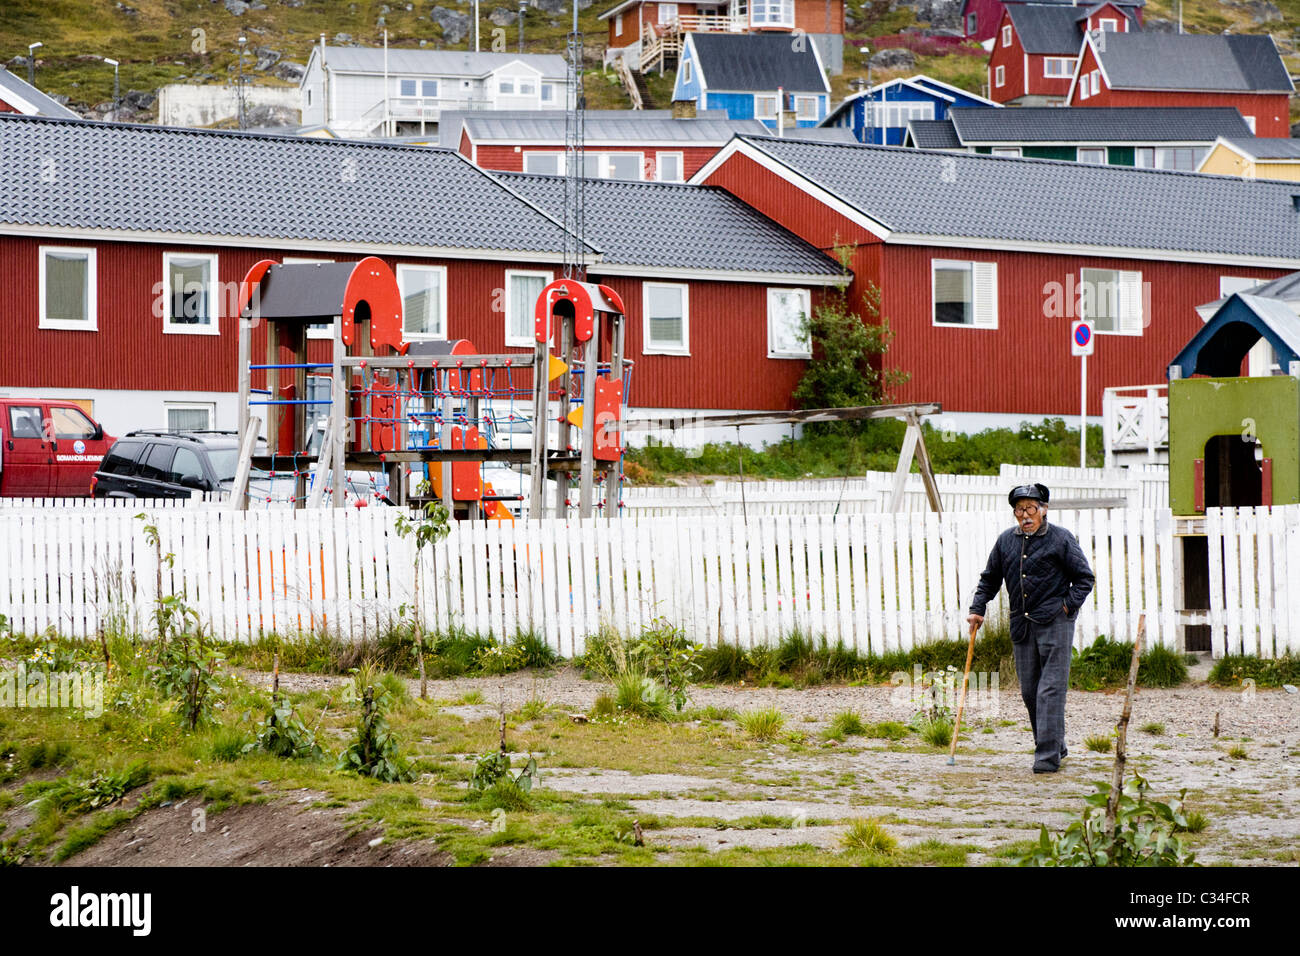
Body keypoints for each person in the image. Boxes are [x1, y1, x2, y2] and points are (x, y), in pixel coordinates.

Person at [966, 483, 1095, 774]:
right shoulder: (1005, 542)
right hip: (1022, 625)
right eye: (1019, 509)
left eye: (1031, 508)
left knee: (1050, 690)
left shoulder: (1061, 539)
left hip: (1055, 623)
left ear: (1044, 510)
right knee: (1030, 692)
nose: (1025, 515)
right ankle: (1055, 744)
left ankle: (1047, 757)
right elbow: (990, 579)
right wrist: (977, 609)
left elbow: (1084, 578)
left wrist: (1066, 607)